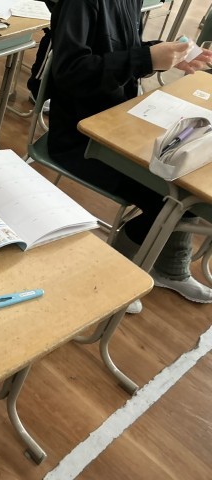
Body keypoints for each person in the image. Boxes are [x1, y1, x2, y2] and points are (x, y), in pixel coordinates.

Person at [47, 0, 212, 309]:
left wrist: (163, 54)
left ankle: (168, 265)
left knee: (193, 172)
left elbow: (120, 50)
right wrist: (145, 58)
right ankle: (118, 269)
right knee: (177, 193)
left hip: (121, 120)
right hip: (81, 137)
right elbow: (70, 72)